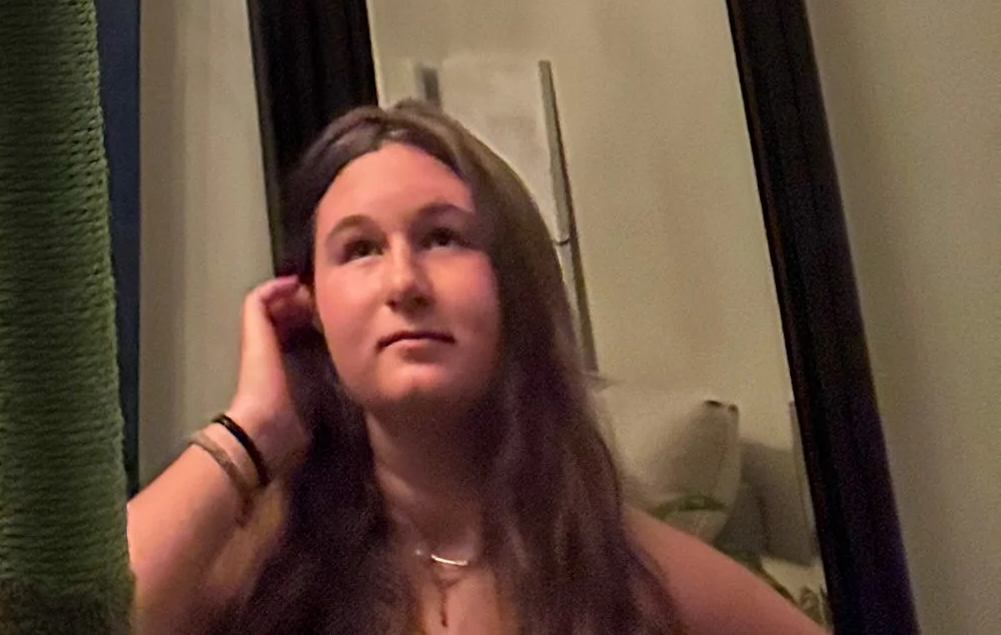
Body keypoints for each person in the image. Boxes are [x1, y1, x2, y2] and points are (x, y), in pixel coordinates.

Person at [128, 103, 814, 633]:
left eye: (443, 237)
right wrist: (252, 431)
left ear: (511, 286)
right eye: (360, 248)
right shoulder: (255, 559)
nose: (404, 280)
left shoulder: (627, 569)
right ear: (307, 305)